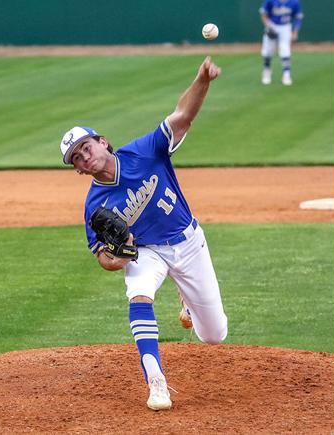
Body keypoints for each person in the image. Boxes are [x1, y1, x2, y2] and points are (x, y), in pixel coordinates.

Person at [60, 57, 230, 410]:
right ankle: (156, 382)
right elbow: (103, 258)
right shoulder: (94, 205)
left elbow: (182, 116)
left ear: (103, 142)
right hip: (147, 252)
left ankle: (187, 298)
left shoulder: (144, 151)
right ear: (77, 170)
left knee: (214, 336)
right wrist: (119, 256)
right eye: (76, 158)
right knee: (138, 294)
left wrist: (202, 80)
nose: (84, 157)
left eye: (86, 147)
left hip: (188, 242)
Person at [260, 0, 302, 86]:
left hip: (285, 27)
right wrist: (269, 27)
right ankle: (267, 70)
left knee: (285, 50)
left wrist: (295, 32)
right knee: (268, 50)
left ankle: (286, 74)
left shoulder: (294, 2)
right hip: (272, 25)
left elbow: (298, 18)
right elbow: (264, 15)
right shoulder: (270, 1)